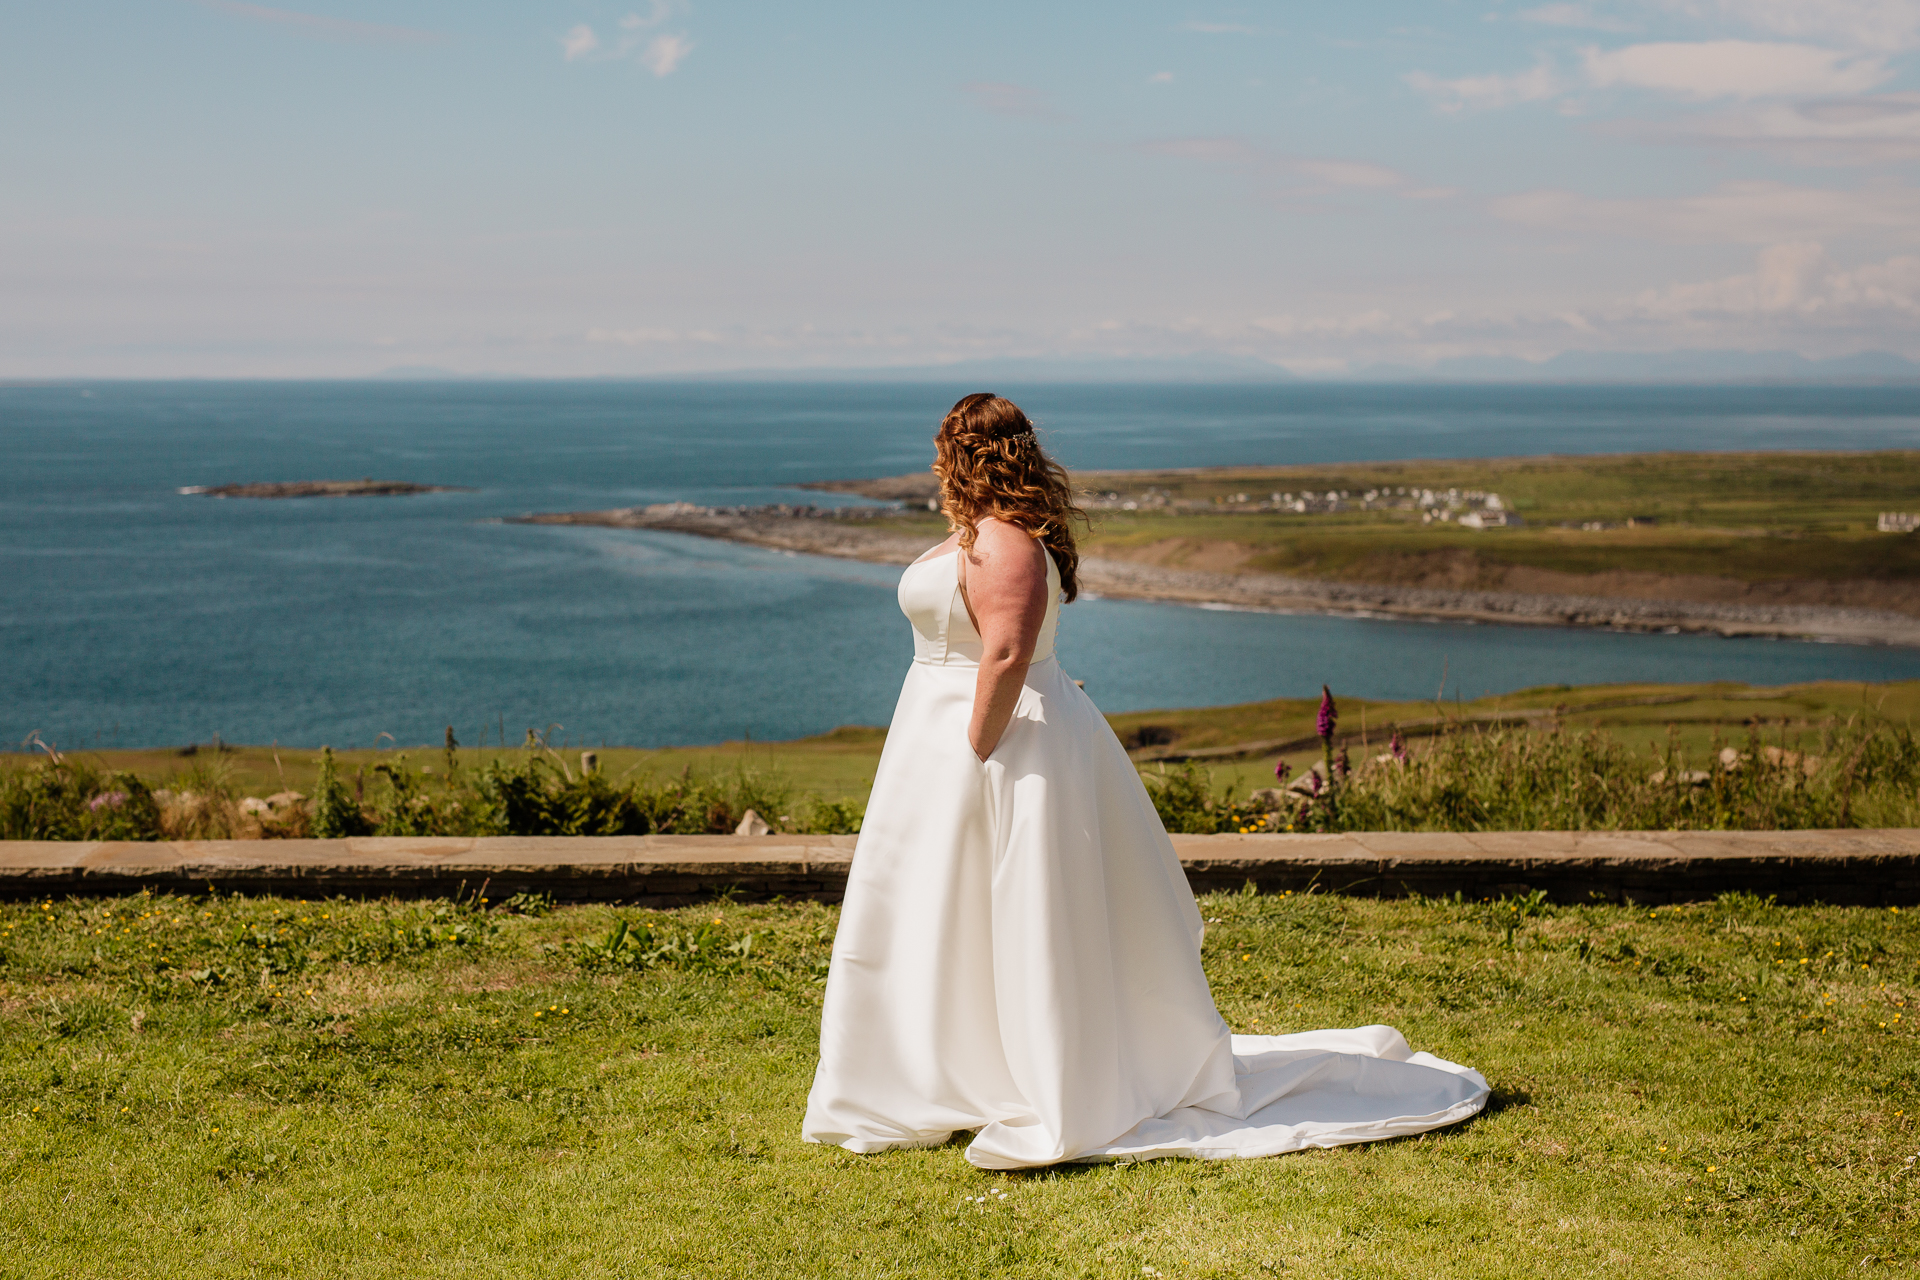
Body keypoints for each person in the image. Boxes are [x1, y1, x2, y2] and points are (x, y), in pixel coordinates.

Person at [801, 393, 1486, 1168]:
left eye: (940, 451)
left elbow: (1005, 653)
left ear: (962, 454)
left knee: (1015, 903)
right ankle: (950, 1065)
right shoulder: (977, 538)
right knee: (941, 906)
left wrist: (973, 750)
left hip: (996, 748)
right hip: (941, 744)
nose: (932, 464)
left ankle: (1032, 1071)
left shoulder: (1007, 545)